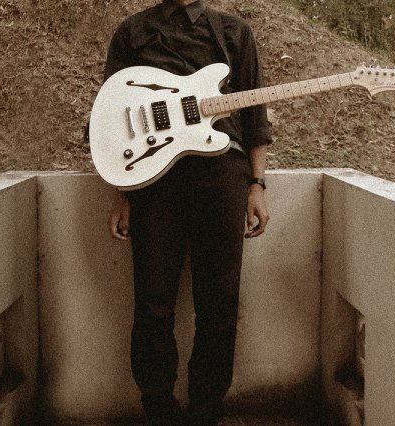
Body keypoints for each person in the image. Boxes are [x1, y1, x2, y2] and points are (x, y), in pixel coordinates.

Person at [104, 0, 272, 424]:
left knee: (220, 299)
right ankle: (158, 406)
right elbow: (110, 116)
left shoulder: (233, 32)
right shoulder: (132, 32)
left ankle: (207, 408)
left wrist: (257, 184)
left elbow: (256, 117)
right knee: (152, 299)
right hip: (153, 178)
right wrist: (122, 192)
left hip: (223, 173)